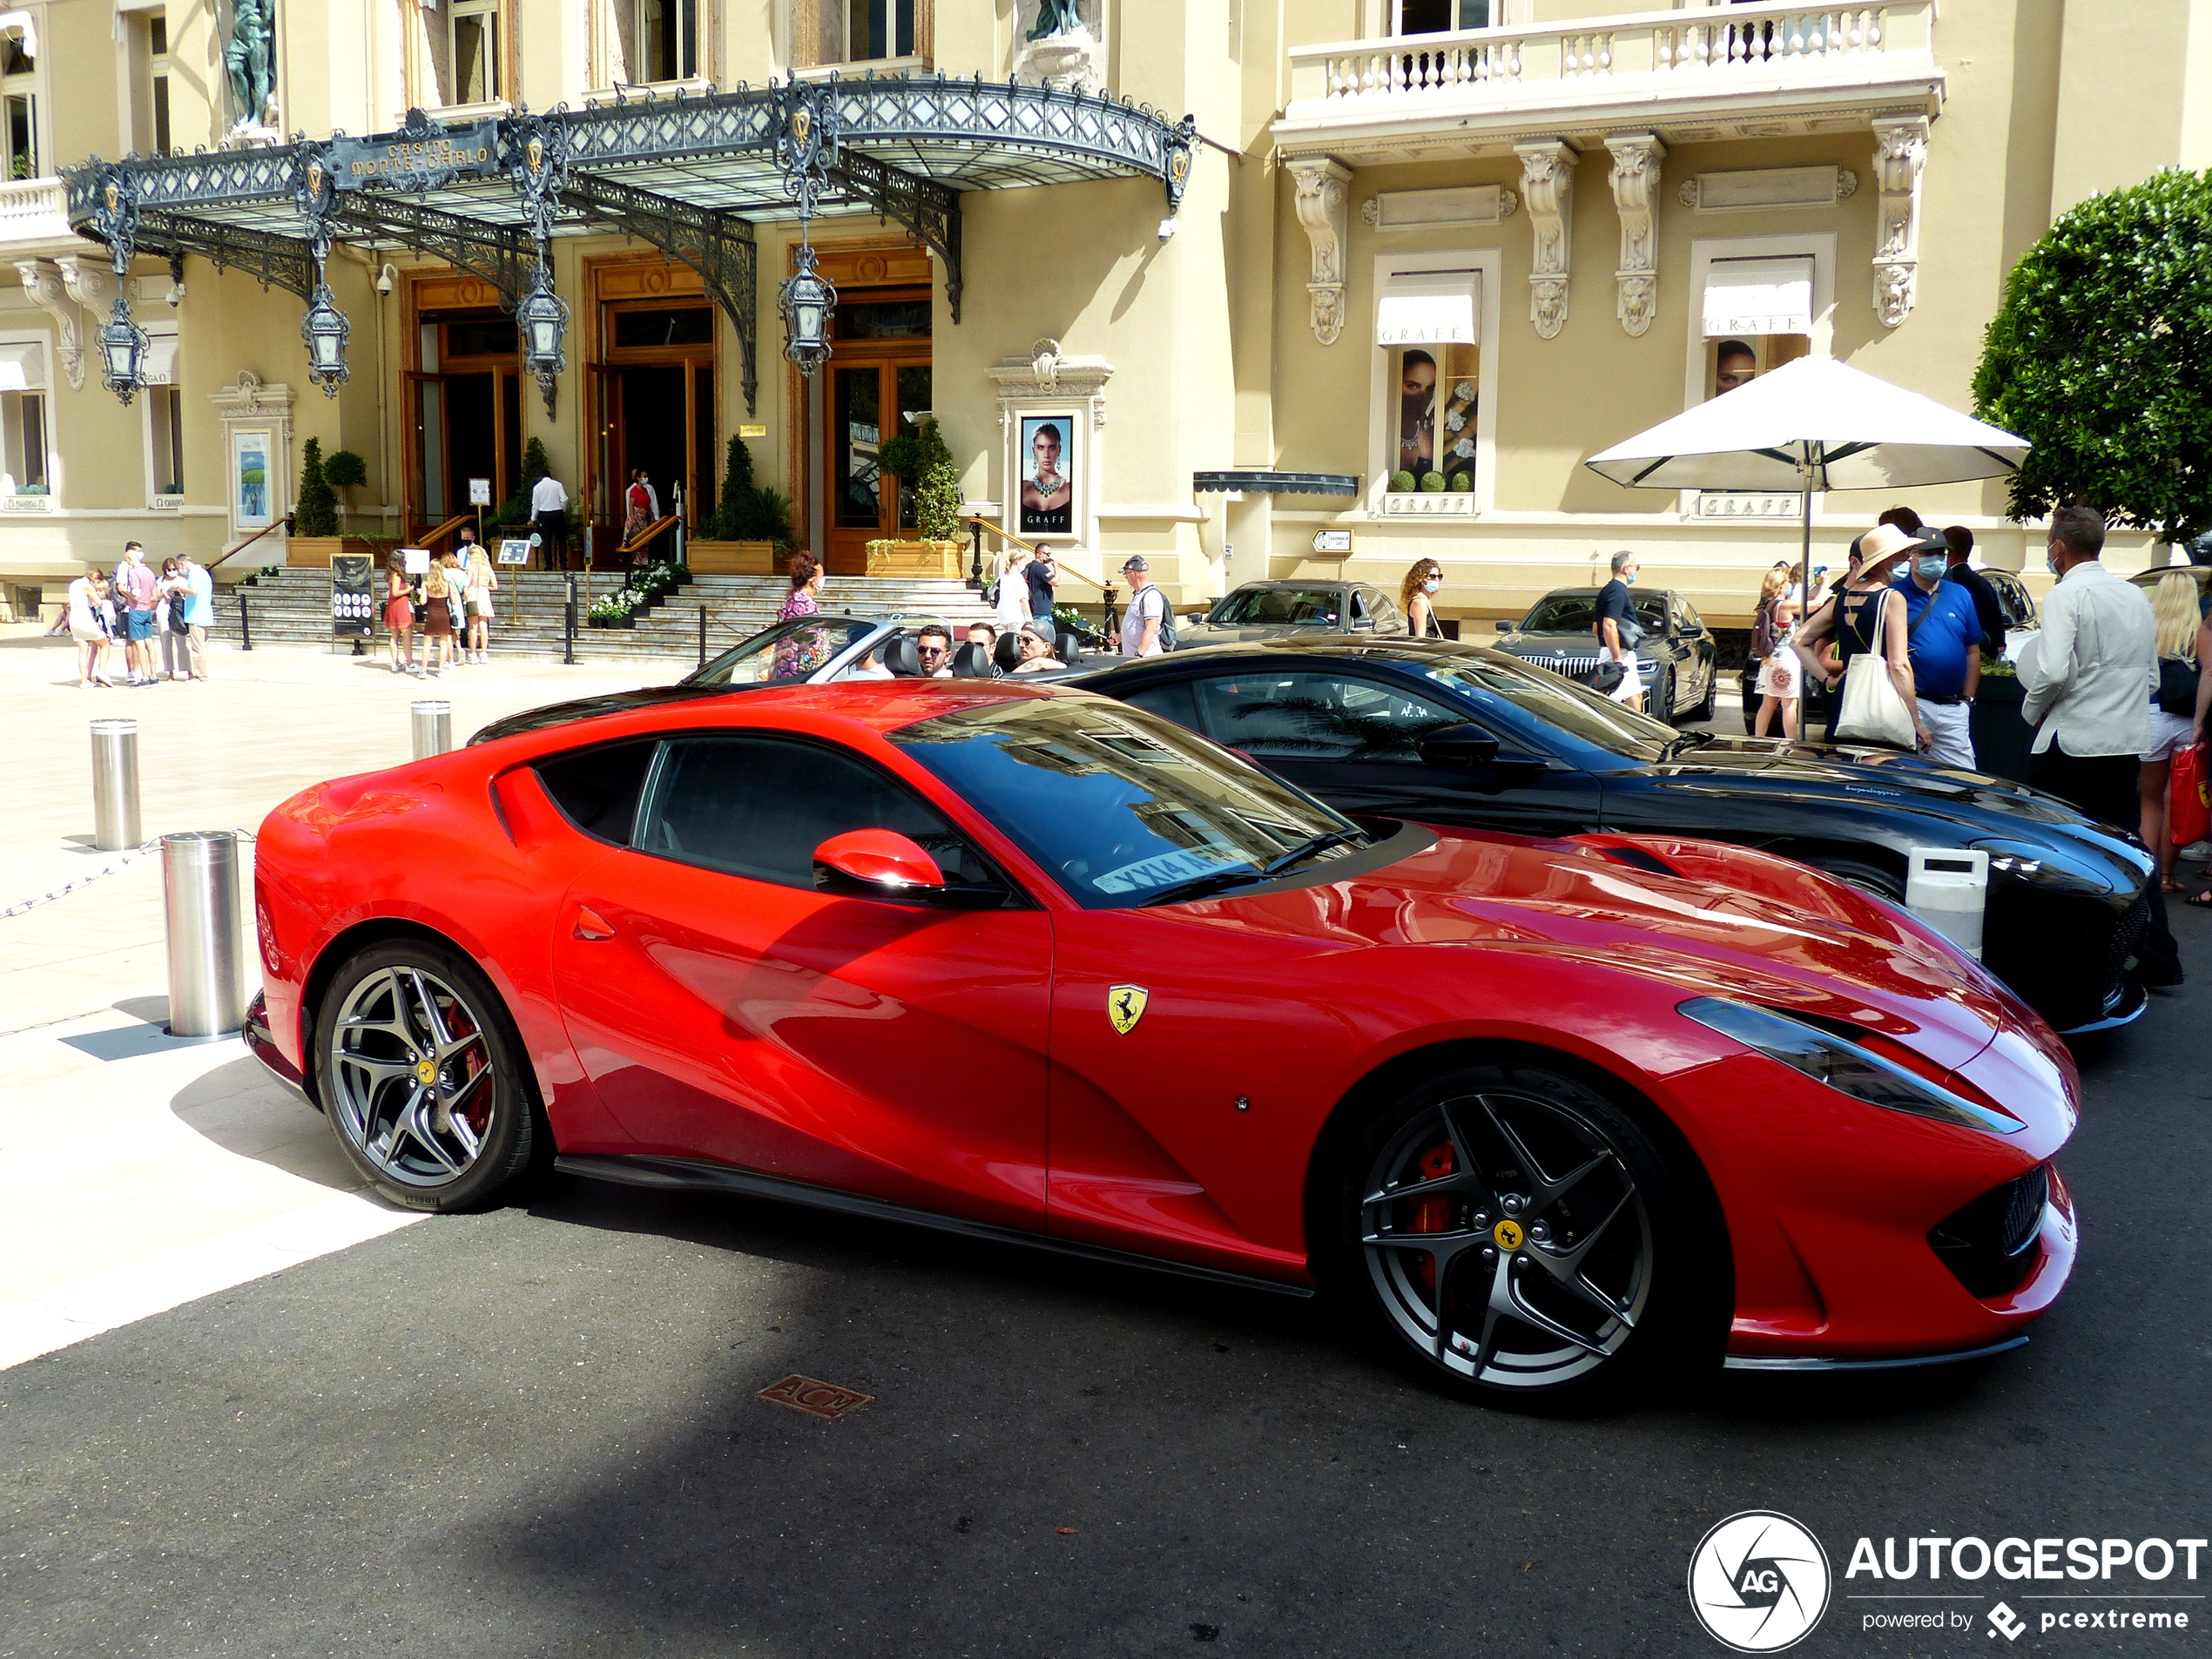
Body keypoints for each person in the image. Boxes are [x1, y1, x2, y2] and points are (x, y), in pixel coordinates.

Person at [2020, 505, 2182, 984]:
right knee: (2128, 844)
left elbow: (2050, 671)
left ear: (2058, 548)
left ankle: (2065, 950)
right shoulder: (2134, 597)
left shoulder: (2067, 594)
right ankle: (2158, 955)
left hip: (2072, 740)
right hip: (2123, 739)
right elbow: (2151, 673)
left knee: (2055, 845)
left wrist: (2032, 711)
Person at [1791, 524, 1924, 749]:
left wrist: (1827, 680)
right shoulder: (1892, 599)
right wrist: (1916, 720)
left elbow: (1798, 641)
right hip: (1881, 705)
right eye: (1902, 555)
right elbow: (1899, 664)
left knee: (1845, 770)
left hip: (1845, 703)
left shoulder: (1842, 599)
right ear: (1885, 560)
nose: (1907, 560)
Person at [1892, 528, 1984, 769]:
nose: (1936, 558)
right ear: (1912, 555)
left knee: (1964, 778)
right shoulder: (1894, 595)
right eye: (1927, 552)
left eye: (1941, 552)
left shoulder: (1959, 594)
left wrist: (1968, 700)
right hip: (1913, 703)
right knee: (1910, 776)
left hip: (1954, 708)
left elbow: (1972, 650)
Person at [2140, 573, 2202, 896]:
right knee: (2176, 799)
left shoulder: (2147, 627)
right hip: (2188, 719)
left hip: (2152, 715)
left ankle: (2147, 878)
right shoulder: (2199, 630)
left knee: (2149, 801)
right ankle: (2167, 875)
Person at [1751, 573, 1802, 739]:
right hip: (1786, 660)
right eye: (1787, 582)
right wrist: (1825, 584)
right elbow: (1815, 605)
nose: (1790, 584)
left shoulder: (1768, 605)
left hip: (1769, 659)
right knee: (1789, 704)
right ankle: (1791, 742)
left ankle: (1758, 739)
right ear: (1781, 586)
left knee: (1767, 704)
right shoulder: (1785, 606)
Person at [1595, 550, 1645, 711]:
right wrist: (1617, 658)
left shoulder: (1608, 590)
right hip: (1618, 653)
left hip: (1617, 652)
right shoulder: (1617, 591)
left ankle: (1640, 734)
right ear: (1626, 568)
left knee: (1635, 696)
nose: (1637, 571)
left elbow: (1596, 628)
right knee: (1609, 700)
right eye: (1637, 567)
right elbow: (1608, 625)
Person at [770, 550, 825, 678]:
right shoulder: (806, 603)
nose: (823, 581)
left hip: (785, 666)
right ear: (813, 580)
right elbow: (810, 639)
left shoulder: (790, 598)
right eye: (821, 577)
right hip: (800, 671)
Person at [112, 543, 158, 686]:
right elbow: (153, 594)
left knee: (139, 644)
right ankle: (153, 675)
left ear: (130, 560)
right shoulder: (150, 572)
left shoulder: (135, 573)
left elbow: (136, 595)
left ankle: (144, 676)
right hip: (147, 610)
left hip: (137, 610)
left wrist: (125, 594)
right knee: (149, 643)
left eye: (128, 560)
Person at [1113, 554, 1171, 658]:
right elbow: (1137, 627)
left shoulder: (1150, 596)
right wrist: (1121, 637)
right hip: (1136, 659)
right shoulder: (1139, 595)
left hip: (1146, 660)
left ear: (1133, 574)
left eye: (1126, 575)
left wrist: (1139, 654)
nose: (1126, 578)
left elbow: (1151, 628)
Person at [67, 566, 116, 689]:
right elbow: (98, 602)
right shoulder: (87, 586)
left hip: (74, 620)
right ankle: (102, 672)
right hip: (85, 620)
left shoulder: (74, 584)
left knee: (83, 649)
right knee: (104, 643)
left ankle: (84, 681)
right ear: (94, 578)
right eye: (97, 582)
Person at [1021, 425, 1072, 535]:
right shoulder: (1022, 488)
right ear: (1033, 450)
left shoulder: (1070, 488)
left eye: (1052, 448)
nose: (1046, 455)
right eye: (1040, 447)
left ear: (1059, 450)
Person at [154, 558, 193, 682]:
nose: (172, 572)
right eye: (169, 570)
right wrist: (164, 594)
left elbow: (186, 595)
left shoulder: (182, 580)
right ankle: (170, 671)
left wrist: (177, 592)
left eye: (174, 569)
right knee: (165, 642)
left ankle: (188, 669)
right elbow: (155, 596)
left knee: (181, 641)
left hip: (177, 611)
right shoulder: (160, 581)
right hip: (163, 611)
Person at [177, 554, 212, 679]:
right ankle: (203, 672)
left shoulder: (193, 573)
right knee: (203, 646)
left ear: (182, 564)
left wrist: (179, 588)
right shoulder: (203, 572)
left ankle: (201, 675)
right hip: (205, 614)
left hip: (196, 615)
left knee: (197, 648)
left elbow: (194, 590)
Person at [421, 553, 457, 676]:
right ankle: (440, 670)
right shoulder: (447, 584)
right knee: (443, 643)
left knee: (427, 643)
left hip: (432, 613)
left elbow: (422, 602)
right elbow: (454, 601)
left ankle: (424, 670)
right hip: (444, 614)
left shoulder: (426, 584)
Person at [384, 555, 417, 676]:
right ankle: (410, 663)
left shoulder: (391, 574)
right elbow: (396, 592)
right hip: (400, 605)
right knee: (407, 635)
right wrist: (408, 590)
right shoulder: (397, 575)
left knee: (394, 635)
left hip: (393, 605)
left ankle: (395, 663)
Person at [530, 469, 570, 570]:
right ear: (550, 476)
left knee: (547, 540)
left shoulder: (537, 488)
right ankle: (563, 564)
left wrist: (533, 518)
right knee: (561, 539)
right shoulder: (557, 485)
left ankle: (549, 565)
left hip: (544, 514)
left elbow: (535, 505)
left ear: (540, 477)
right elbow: (564, 499)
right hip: (557, 513)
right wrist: (562, 509)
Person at [464, 547, 498, 664]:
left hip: (473, 595)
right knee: (484, 627)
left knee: (473, 627)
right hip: (484, 596)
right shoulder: (488, 569)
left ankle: (473, 654)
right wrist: (485, 587)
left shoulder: (472, 567)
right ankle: (484, 653)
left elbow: (467, 583)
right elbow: (495, 586)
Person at [1401, 558, 1445, 639]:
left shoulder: (1426, 600)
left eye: (1439, 576)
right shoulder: (1419, 602)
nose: (1437, 580)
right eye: (1432, 576)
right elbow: (1420, 637)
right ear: (1422, 578)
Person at [994, 548, 1033, 631]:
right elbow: (1023, 599)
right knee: (1015, 640)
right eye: (1024, 562)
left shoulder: (1003, 575)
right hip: (1015, 615)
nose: (1024, 564)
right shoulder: (1018, 577)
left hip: (1002, 615)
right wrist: (1029, 616)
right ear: (1018, 560)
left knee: (1008, 638)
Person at [1024, 547, 1057, 630]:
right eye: (1047, 554)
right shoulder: (1040, 568)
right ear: (1039, 554)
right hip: (1041, 611)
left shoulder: (1031, 566)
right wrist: (1056, 567)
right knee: (1045, 636)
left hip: (1036, 608)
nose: (1049, 557)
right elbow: (1056, 582)